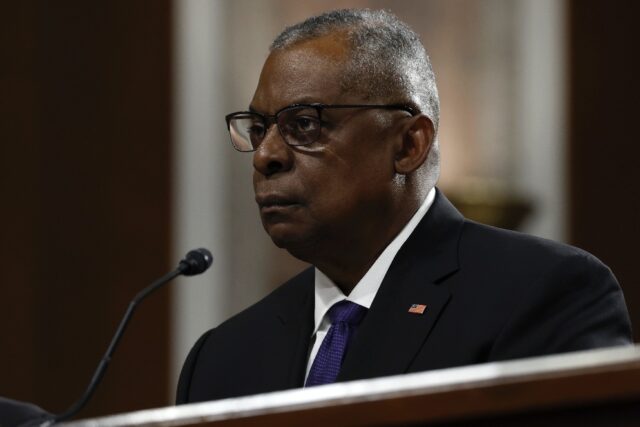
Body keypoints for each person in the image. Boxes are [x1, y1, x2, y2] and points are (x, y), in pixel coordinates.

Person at [176, 9, 632, 403]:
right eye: (258, 128)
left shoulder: (541, 295)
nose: (265, 155)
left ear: (409, 143)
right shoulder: (222, 358)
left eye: (304, 124)